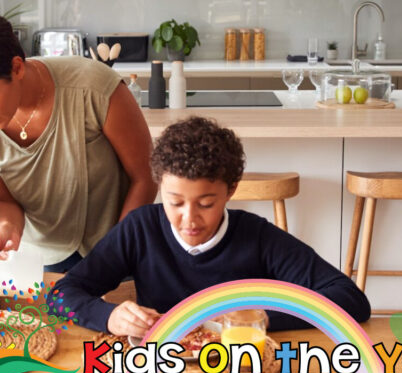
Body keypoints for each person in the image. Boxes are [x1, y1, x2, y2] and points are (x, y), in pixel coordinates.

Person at [55, 116, 371, 336]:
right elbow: (62, 294)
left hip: (241, 369)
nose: (189, 219)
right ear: (160, 187)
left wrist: (249, 318)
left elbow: (351, 300)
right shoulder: (141, 229)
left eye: (206, 204)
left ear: (230, 190)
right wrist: (109, 316)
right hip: (162, 372)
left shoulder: (257, 236)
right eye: (175, 202)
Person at [0, 14, 157, 272]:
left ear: (16, 68)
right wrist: (7, 229)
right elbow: (1, 200)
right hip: (39, 257)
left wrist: (118, 250)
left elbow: (145, 175)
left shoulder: (93, 88)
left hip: (116, 244)